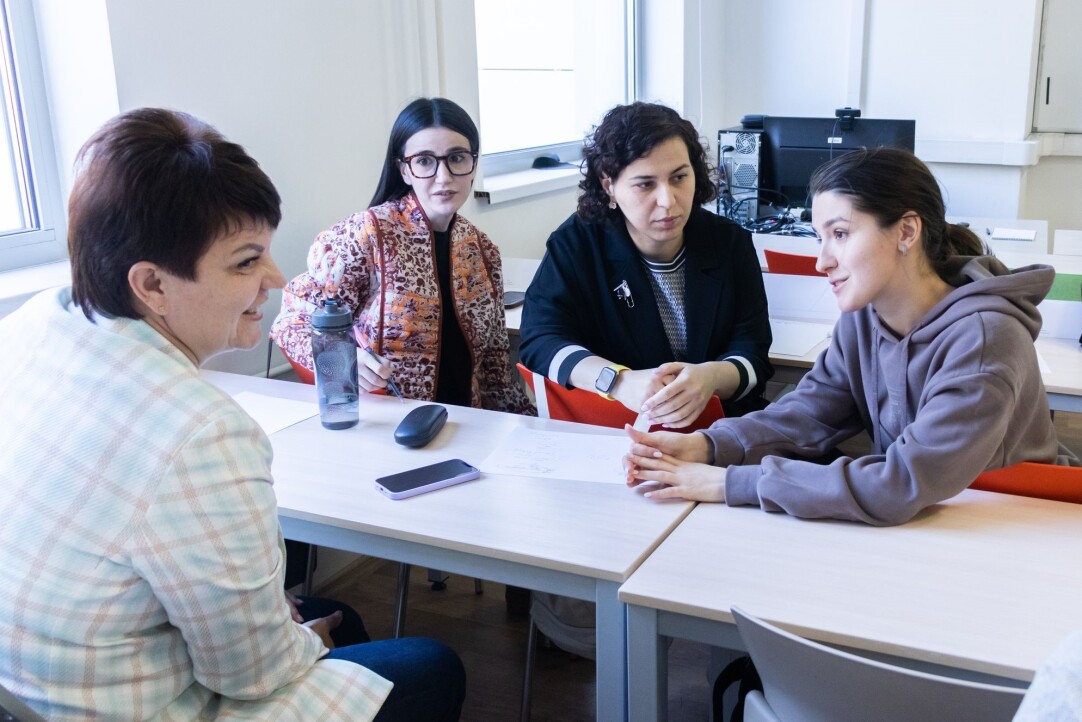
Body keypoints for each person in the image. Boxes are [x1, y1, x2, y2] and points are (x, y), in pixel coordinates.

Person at [0, 108, 464, 721]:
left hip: (34, 684)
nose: (275, 277)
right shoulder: (198, 430)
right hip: (130, 704)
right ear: (152, 285)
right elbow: (255, 675)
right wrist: (302, 645)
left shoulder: (33, 323)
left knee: (335, 613)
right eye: (247, 262)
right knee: (431, 665)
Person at [624, 147, 1080, 525]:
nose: (822, 260)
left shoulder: (985, 338)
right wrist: (708, 444)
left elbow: (901, 481)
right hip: (934, 518)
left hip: (1018, 521)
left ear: (906, 231)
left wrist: (728, 483)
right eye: (820, 237)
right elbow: (810, 415)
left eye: (840, 234)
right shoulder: (864, 317)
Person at [271, 97, 531, 415]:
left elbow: (495, 371)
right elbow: (292, 319)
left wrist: (526, 431)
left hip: (466, 428)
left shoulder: (482, 250)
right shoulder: (368, 234)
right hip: (387, 428)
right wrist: (343, 357)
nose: (443, 176)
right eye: (424, 161)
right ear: (403, 169)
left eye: (457, 158)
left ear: (473, 163)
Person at [518, 101, 773, 425]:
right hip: (613, 432)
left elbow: (754, 356)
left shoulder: (728, 242)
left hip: (716, 432)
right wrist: (617, 381)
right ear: (609, 185)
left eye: (680, 177)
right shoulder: (578, 243)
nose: (668, 200)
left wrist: (711, 377)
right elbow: (540, 341)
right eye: (645, 184)